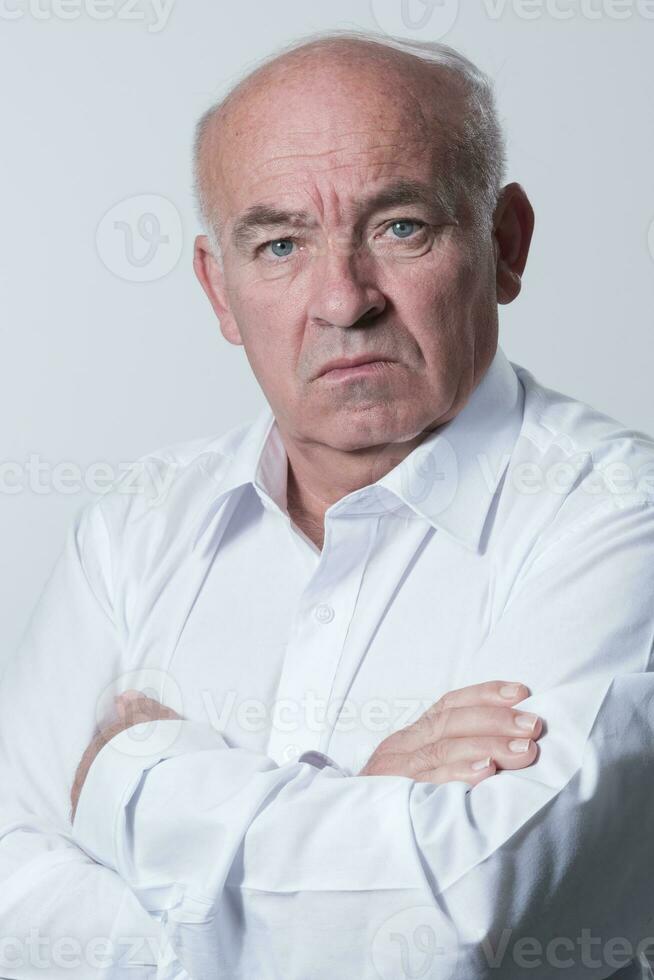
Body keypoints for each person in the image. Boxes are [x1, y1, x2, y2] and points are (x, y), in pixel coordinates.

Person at [2, 28, 654, 980]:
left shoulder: (617, 516)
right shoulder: (133, 529)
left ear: (505, 245)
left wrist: (136, 777)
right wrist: (367, 802)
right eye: (278, 244)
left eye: (400, 227)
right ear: (217, 291)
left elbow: (451, 930)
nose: (343, 300)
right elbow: (9, 894)